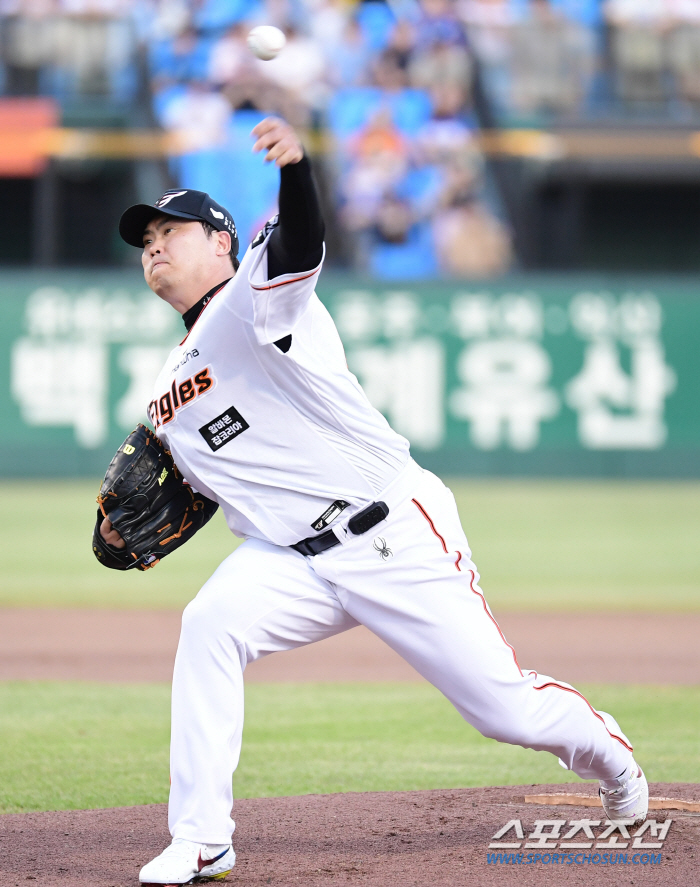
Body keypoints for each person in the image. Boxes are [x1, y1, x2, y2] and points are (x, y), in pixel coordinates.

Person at [105, 117, 648, 886]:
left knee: (504, 711)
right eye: (145, 237)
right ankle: (202, 838)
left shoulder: (258, 300)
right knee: (210, 624)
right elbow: (194, 493)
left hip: (393, 531)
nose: (153, 245)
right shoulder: (166, 392)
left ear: (222, 243)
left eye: (171, 230)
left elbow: (297, 242)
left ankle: (608, 751)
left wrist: (298, 170)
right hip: (293, 560)